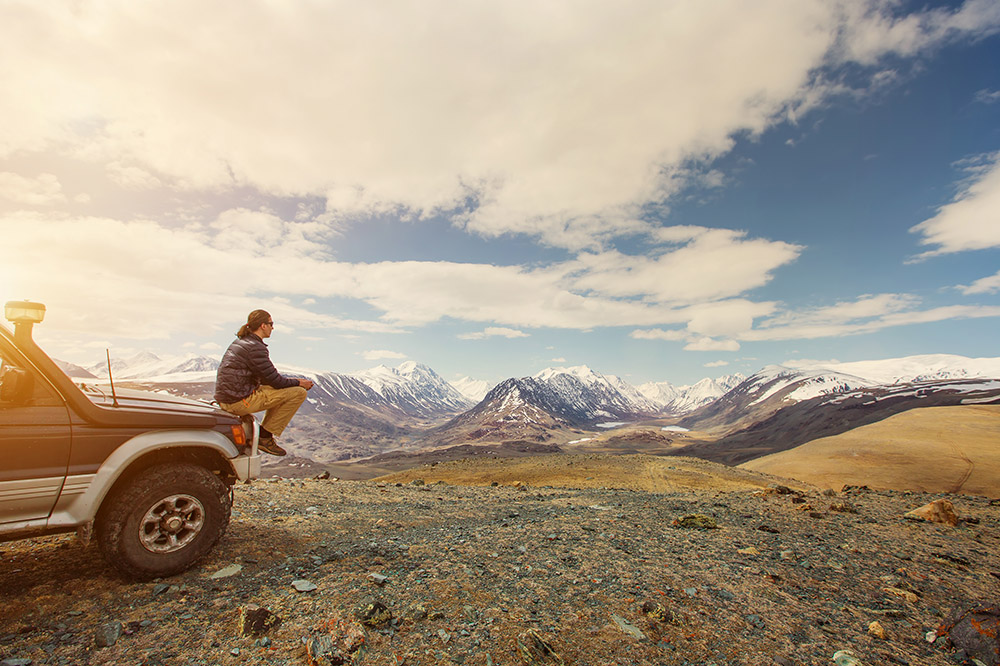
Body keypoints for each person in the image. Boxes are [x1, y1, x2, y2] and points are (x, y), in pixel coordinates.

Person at [214, 309, 314, 456]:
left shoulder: (242, 342)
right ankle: (265, 437)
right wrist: (299, 383)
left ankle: (264, 434)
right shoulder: (255, 348)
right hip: (237, 402)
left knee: (276, 389)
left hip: (230, 397)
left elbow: (268, 379)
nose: (272, 327)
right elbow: (275, 381)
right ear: (263, 325)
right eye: (271, 323)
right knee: (298, 393)